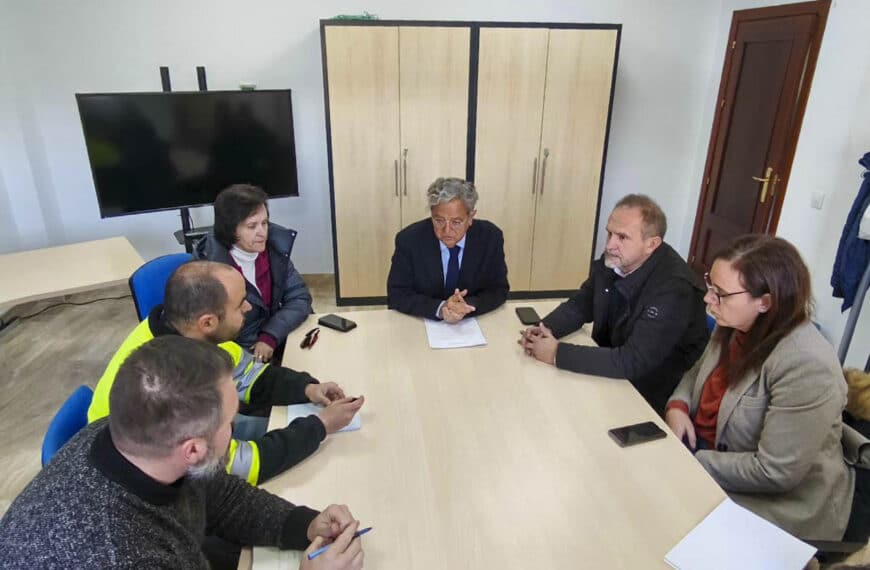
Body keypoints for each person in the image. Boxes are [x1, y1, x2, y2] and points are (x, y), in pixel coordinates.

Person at [0, 336, 365, 569]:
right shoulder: (118, 553)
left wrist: (304, 524)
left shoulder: (130, 432)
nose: (235, 428)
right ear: (192, 449)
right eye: (230, 422)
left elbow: (220, 496)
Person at [88, 261, 364, 485]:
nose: (249, 307)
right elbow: (243, 466)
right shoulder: (170, 388)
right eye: (240, 303)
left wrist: (308, 389)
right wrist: (321, 426)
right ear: (207, 321)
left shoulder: (189, 331)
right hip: (154, 485)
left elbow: (252, 377)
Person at [665, 235, 853, 541]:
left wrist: (690, 459)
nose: (708, 299)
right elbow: (696, 374)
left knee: (662, 522)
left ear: (765, 302)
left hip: (777, 503)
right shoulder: (735, 324)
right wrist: (678, 406)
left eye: (720, 293)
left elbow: (774, 472)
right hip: (708, 459)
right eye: (709, 286)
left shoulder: (806, 364)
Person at [519, 194, 709, 415]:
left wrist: (556, 354)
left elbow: (633, 360)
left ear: (651, 244)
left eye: (622, 237)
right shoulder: (619, 257)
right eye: (609, 233)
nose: (610, 245)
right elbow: (583, 303)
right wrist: (543, 330)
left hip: (651, 389)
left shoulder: (675, 289)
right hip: (613, 365)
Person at [194, 183, 313, 364]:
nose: (262, 233)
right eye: (252, 226)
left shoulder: (274, 252)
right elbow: (211, 335)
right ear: (231, 229)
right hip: (238, 358)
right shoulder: (207, 271)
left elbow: (300, 298)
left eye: (264, 223)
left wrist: (270, 336)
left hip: (275, 340)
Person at [387, 177, 509, 322]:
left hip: (473, 323)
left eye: (456, 222)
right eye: (439, 221)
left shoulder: (490, 237)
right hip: (422, 323)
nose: (447, 230)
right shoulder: (409, 240)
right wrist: (441, 308)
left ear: (471, 217)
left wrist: (466, 307)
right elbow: (397, 294)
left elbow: (498, 289)